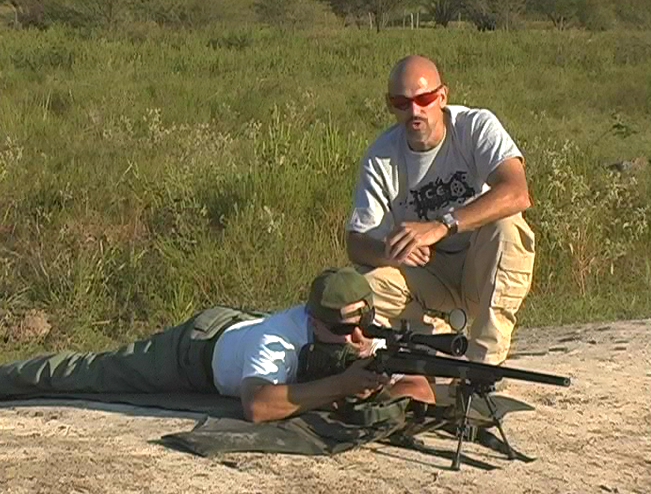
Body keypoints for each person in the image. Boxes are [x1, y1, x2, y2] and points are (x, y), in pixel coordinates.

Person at [0, 267, 434, 422]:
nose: (357, 339)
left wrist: (385, 391)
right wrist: (342, 386)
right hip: (195, 351)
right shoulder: (280, 337)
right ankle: (9, 378)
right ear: (311, 320)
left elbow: (419, 386)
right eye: (342, 333)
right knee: (92, 372)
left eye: (365, 326)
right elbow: (258, 406)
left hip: (240, 326)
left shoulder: (363, 333)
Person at [346, 55, 535, 365]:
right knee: (358, 289)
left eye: (424, 99)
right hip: (427, 276)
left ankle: (484, 363)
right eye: (402, 103)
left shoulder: (474, 127)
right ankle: (432, 340)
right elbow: (356, 243)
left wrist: (442, 225)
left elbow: (516, 192)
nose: (414, 111)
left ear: (442, 96)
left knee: (508, 227)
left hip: (479, 266)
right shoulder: (381, 156)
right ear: (390, 105)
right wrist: (391, 250)